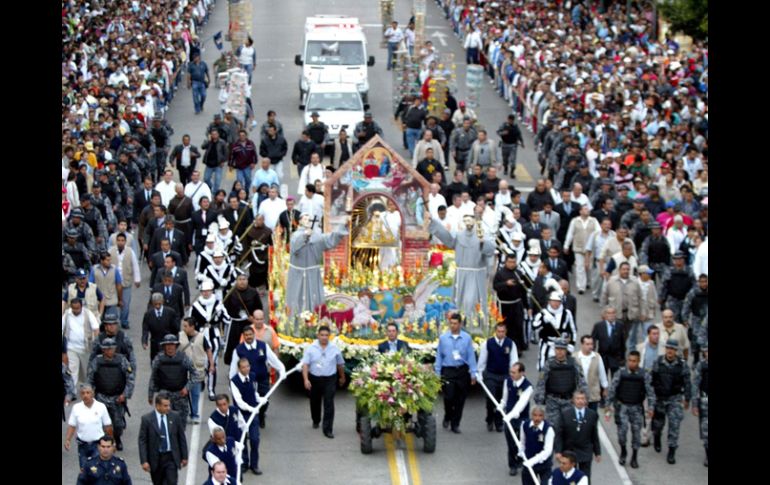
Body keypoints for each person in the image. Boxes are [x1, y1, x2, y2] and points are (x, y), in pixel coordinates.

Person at [429, 214, 495, 325]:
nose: (468, 223)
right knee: (457, 302)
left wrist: (483, 242)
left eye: (470, 221)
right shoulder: (459, 235)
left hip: (475, 274)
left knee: (471, 302)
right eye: (466, 221)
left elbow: (490, 251)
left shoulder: (481, 235)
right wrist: (433, 222)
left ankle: (473, 325)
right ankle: (456, 325)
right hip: (461, 273)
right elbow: (448, 239)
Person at [286, 214, 348, 316]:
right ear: (300, 221)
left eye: (309, 218)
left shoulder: (318, 237)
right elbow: (295, 247)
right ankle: (295, 320)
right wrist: (305, 235)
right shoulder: (295, 235)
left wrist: (342, 226)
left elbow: (331, 239)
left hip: (312, 274)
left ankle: (315, 318)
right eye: (304, 218)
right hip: (297, 274)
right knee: (296, 301)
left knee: (314, 300)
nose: (307, 220)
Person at [229, 325, 286, 429]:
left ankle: (261, 414)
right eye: (246, 335)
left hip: (262, 379)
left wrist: (282, 369)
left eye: (250, 334)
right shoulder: (238, 350)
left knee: (265, 400)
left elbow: (273, 360)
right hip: (248, 382)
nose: (248, 337)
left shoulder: (263, 346)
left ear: (254, 335)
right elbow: (233, 368)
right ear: (243, 336)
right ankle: (251, 421)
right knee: (250, 401)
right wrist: (232, 383)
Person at [608, 350, 656, 469]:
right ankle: (623, 451)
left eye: (634, 361)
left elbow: (650, 392)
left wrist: (651, 407)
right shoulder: (621, 373)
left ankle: (634, 456)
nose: (632, 363)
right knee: (622, 433)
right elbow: (612, 389)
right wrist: (608, 405)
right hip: (623, 407)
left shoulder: (644, 374)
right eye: (630, 360)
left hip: (636, 408)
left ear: (639, 362)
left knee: (636, 435)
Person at [87, 337, 135, 452]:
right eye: (106, 349)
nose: (109, 351)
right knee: (100, 423)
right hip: (101, 396)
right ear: (103, 350)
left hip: (117, 397)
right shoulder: (97, 361)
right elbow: (90, 379)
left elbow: (130, 379)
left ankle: (117, 438)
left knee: (118, 424)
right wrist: (90, 395)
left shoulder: (122, 360)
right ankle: (105, 443)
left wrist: (125, 395)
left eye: (111, 349)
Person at [435, 313, 478, 434]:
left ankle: (455, 424)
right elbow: (439, 356)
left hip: (462, 371)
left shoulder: (466, 338)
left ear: (460, 324)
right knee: (448, 396)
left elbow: (471, 356)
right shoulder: (443, 338)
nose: (453, 326)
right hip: (448, 370)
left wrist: (473, 373)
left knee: (460, 399)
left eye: (455, 323)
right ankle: (448, 415)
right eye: (451, 323)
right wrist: (437, 373)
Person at [651, 339, 692, 464]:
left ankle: (671, 450)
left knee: (674, 425)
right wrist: (650, 399)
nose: (670, 351)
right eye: (668, 348)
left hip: (675, 398)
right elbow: (651, 381)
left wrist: (687, 398)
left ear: (676, 351)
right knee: (657, 426)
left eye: (673, 349)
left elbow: (687, 382)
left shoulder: (682, 365)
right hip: (660, 398)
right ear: (665, 349)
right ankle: (656, 437)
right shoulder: (658, 362)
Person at [301, 325, 346, 438]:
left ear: (329, 336)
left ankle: (327, 429)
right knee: (315, 402)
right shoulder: (311, 348)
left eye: (326, 335)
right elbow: (305, 365)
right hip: (315, 379)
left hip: (330, 379)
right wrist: (306, 379)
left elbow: (340, 364)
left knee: (329, 403)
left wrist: (342, 377)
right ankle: (316, 420)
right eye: (322, 335)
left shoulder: (335, 348)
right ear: (318, 335)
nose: (324, 337)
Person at [534, 338, 587, 431]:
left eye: (562, 349)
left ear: (566, 350)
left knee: (568, 427)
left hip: (568, 400)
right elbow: (541, 383)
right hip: (552, 401)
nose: (559, 352)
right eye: (557, 349)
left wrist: (583, 399)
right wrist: (539, 400)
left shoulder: (573, 363)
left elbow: (581, 381)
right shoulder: (549, 364)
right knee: (553, 428)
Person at [138, 393, 189, 485]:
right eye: (165, 406)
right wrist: (144, 460)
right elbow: (142, 441)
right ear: (157, 406)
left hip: (171, 457)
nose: (168, 408)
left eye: (169, 405)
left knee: (172, 482)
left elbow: (181, 437)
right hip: (156, 458)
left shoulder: (175, 417)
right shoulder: (147, 419)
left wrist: (184, 456)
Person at [190, 280, 228, 400]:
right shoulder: (195, 306)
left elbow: (226, 319)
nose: (206, 293)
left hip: (213, 336)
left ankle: (211, 389)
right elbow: (190, 322)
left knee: (212, 364)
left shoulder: (218, 304)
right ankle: (200, 381)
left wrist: (221, 313)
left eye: (208, 291)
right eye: (203, 291)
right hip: (200, 336)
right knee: (200, 362)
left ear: (212, 291)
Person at [479, 322, 519, 432]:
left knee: (502, 401)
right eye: (498, 331)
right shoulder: (488, 343)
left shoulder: (510, 344)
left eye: (503, 332)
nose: (500, 334)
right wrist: (480, 374)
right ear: (495, 331)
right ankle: (489, 418)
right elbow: (482, 360)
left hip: (505, 376)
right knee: (490, 399)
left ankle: (499, 421)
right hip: (491, 375)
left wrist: (514, 375)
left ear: (505, 332)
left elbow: (513, 361)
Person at [148, 334, 196, 424]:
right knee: (164, 423)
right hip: (164, 395)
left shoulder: (183, 358)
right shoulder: (158, 359)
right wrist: (150, 395)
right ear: (164, 346)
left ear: (176, 345)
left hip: (180, 395)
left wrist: (187, 387)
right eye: (167, 345)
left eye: (172, 344)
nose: (170, 347)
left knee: (180, 425)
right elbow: (153, 377)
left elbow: (195, 373)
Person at [553, 391, 601, 480]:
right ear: (573, 400)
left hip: (585, 450)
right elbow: (559, 434)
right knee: (570, 478)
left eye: (582, 398)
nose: (580, 401)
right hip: (569, 450)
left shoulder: (592, 414)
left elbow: (594, 434)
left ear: (586, 401)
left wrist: (597, 452)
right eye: (578, 398)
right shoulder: (565, 414)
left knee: (585, 478)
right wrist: (558, 451)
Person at [65, 384, 113, 470]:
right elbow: (72, 425)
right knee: (84, 471)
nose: (85, 395)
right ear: (80, 395)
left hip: (97, 445)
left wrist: (112, 442)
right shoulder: (76, 408)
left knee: (97, 470)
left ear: (93, 394)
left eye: (88, 393)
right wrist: (68, 439)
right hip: (82, 445)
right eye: (83, 393)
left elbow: (108, 426)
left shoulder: (101, 407)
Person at [179, 318, 214, 425]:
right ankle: (183, 414)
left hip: (197, 369)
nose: (184, 328)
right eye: (183, 326)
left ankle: (195, 414)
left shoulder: (201, 337)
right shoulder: (179, 335)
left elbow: (208, 350)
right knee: (183, 393)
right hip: (182, 370)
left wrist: (211, 364)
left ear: (192, 326)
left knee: (195, 394)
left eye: (186, 326)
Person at [223, 273, 263, 364]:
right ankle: (233, 366)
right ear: (236, 281)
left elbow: (259, 308)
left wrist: (254, 318)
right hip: (235, 323)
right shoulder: (231, 292)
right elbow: (225, 308)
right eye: (240, 279)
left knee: (250, 344)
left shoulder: (253, 292)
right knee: (233, 346)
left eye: (244, 279)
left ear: (247, 281)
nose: (242, 281)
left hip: (249, 323)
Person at [532, 293, 577, 370]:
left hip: (561, 345)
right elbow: (534, 327)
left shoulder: (567, 313)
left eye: (558, 301)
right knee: (544, 366)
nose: (556, 303)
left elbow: (573, 330)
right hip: (547, 345)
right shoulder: (543, 313)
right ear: (549, 302)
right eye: (553, 301)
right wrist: (543, 321)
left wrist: (571, 344)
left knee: (562, 367)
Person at [493, 254, 529, 350]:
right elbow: (495, 286)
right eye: (510, 262)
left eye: (514, 262)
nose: (512, 264)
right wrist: (505, 284)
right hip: (505, 305)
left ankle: (518, 347)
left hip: (517, 304)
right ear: (506, 262)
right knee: (506, 327)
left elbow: (523, 291)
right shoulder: (500, 274)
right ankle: (505, 346)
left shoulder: (519, 273)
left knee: (517, 326)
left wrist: (527, 306)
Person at [63, 298, 101, 385]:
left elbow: (96, 329)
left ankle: (87, 390)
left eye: (78, 308)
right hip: (71, 348)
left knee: (86, 371)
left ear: (81, 306)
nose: (76, 310)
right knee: (72, 370)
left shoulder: (88, 314)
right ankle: (72, 392)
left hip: (85, 348)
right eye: (74, 308)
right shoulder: (67, 314)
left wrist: (96, 343)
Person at [563, 205, 600, 294]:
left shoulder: (593, 221)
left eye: (588, 209)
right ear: (580, 211)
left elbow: (598, 233)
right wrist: (566, 245)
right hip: (578, 247)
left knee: (589, 266)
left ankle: (587, 282)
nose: (587, 211)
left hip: (590, 249)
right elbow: (570, 234)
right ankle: (581, 286)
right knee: (580, 267)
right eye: (585, 209)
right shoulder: (575, 221)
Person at [109, 232, 142, 329]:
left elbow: (135, 265)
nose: (120, 242)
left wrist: (137, 279)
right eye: (118, 240)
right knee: (113, 303)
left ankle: (124, 320)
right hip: (113, 283)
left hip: (126, 281)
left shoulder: (130, 251)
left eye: (122, 240)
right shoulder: (110, 251)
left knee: (125, 303)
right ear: (116, 241)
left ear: (125, 242)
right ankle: (113, 321)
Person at [518, 406, 555, 485]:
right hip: (528, 464)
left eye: (540, 415)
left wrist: (533, 460)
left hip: (544, 465)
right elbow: (522, 441)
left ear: (543, 417)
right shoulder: (525, 425)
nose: (537, 418)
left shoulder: (548, 429)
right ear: (531, 415)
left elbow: (548, 450)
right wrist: (521, 451)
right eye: (535, 415)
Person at [573, 335, 608, 412]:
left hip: (593, 393)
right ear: (582, 344)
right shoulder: (574, 357)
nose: (590, 346)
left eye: (591, 344)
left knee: (592, 416)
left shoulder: (597, 357)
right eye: (587, 344)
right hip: (578, 395)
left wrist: (605, 388)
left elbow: (602, 373)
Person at [142, 293, 181, 363]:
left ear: (162, 302)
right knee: (154, 361)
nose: (157, 306)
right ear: (152, 303)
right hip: (155, 343)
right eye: (155, 304)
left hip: (168, 342)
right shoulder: (148, 314)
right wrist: (144, 341)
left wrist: (176, 340)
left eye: (159, 304)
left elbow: (176, 328)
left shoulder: (170, 312)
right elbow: (145, 329)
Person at [590, 306, 626, 379]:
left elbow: (623, 342)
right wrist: (592, 355)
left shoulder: (620, 325)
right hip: (603, 356)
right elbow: (593, 340)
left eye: (613, 313)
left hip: (615, 357)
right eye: (608, 313)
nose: (611, 315)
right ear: (605, 314)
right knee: (602, 378)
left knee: (615, 379)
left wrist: (622, 357)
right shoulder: (598, 326)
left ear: (616, 314)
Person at [682, 274, 708, 365]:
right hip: (696, 319)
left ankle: (705, 358)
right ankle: (696, 359)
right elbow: (686, 305)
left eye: (706, 281)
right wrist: (685, 318)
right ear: (698, 282)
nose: (704, 284)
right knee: (695, 340)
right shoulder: (693, 293)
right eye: (702, 282)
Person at [692, 344, 709, 467]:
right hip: (705, 400)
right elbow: (695, 385)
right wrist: (694, 404)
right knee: (706, 430)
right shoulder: (701, 365)